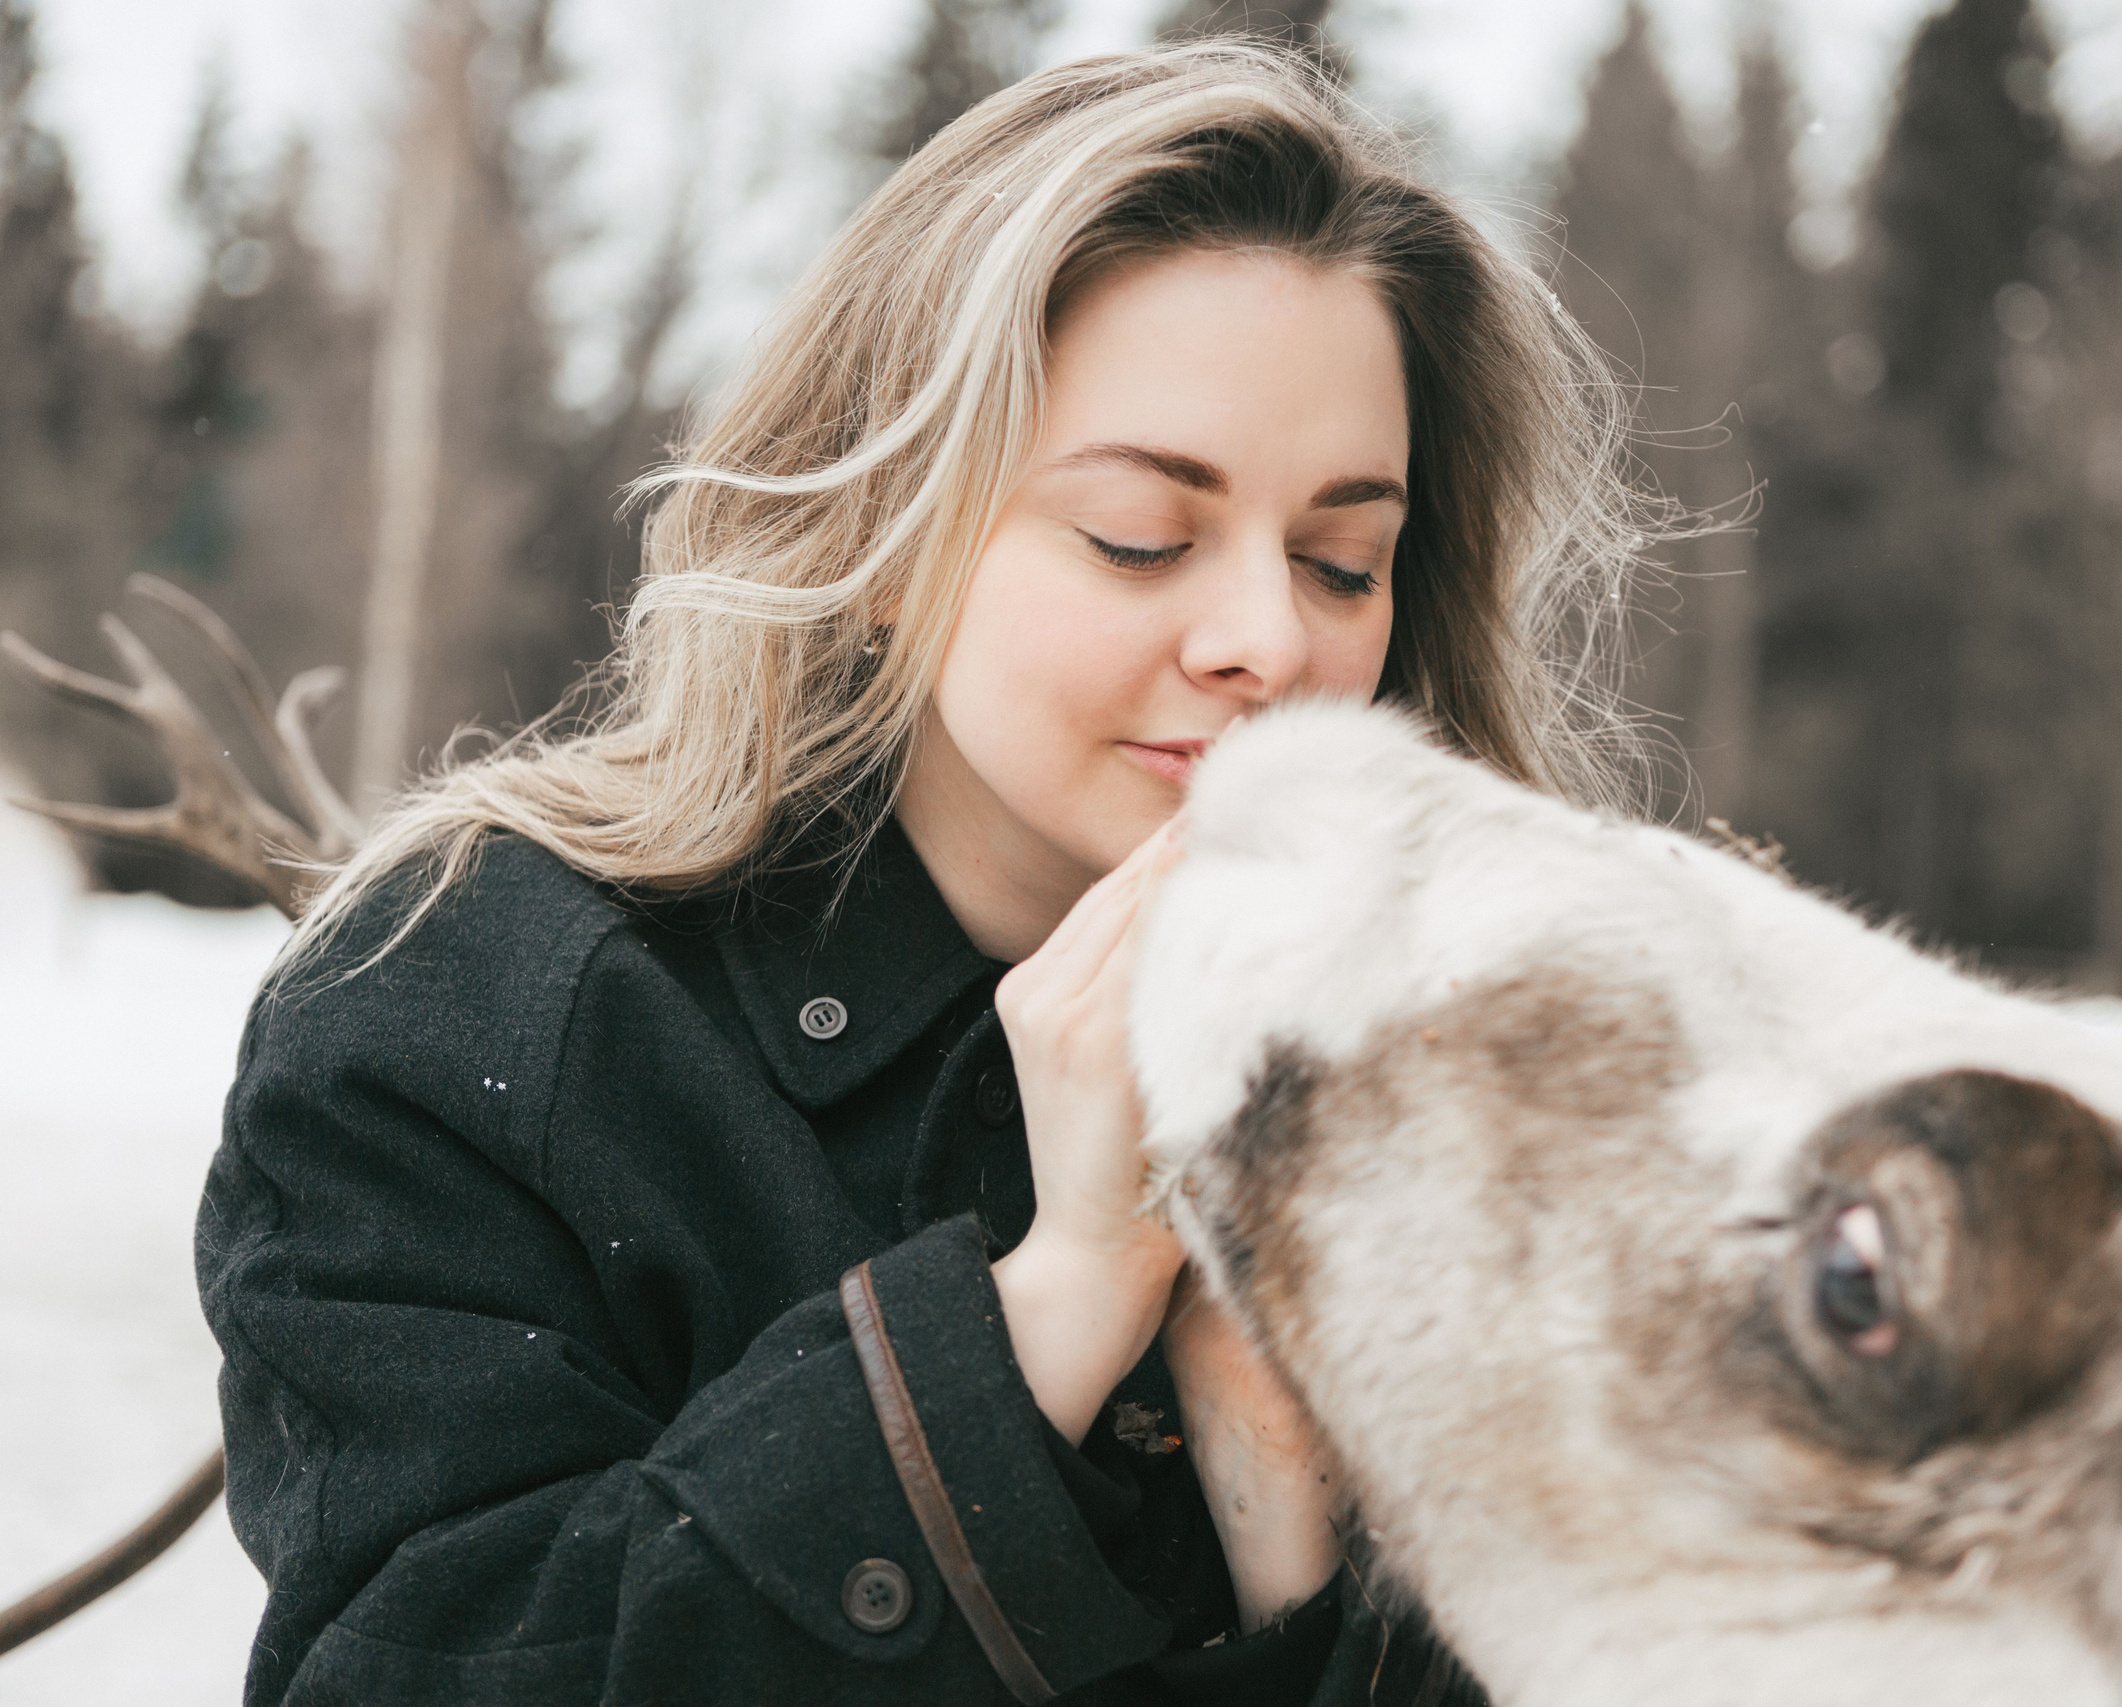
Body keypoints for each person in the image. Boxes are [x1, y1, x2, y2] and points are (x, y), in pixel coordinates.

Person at [200, 39, 1650, 1706]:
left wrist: (1289, 1509)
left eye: (1343, 562)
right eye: (1141, 539)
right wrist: (1042, 1316)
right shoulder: (479, 1015)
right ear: (890, 523)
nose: (1270, 641)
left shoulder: (1500, 1087)